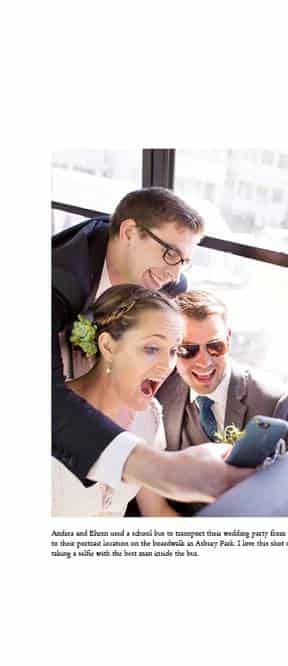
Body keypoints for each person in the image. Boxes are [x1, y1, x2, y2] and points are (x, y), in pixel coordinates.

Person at [53, 188, 250, 503]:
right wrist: (162, 470)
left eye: (184, 261)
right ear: (130, 232)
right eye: (170, 254)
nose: (175, 274)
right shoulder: (56, 281)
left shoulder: (169, 284)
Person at [53, 285, 183, 516]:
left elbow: (157, 511)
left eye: (173, 350)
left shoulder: (151, 418)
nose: (167, 366)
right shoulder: (53, 420)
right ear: (108, 346)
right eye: (152, 348)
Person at [156, 290, 288, 451]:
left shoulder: (276, 404)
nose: (204, 362)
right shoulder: (162, 388)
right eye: (188, 350)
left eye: (215, 347)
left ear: (228, 338)